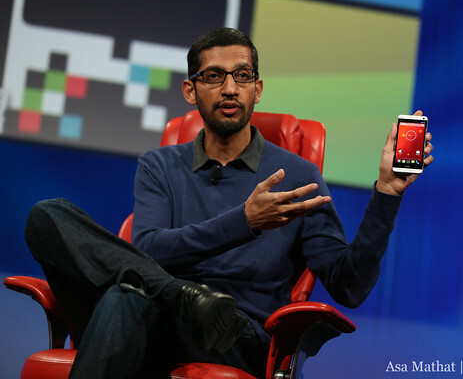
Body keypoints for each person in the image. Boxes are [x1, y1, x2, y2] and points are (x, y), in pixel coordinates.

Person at [24, 27, 433, 379]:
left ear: (258, 88)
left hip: (230, 331)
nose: (230, 88)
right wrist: (245, 221)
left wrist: (387, 193)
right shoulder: (160, 165)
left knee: (125, 295)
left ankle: (175, 298)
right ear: (190, 90)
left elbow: (349, 286)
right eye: (214, 76)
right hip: (148, 312)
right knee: (47, 216)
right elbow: (148, 249)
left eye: (242, 75)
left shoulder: (298, 176)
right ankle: (179, 295)